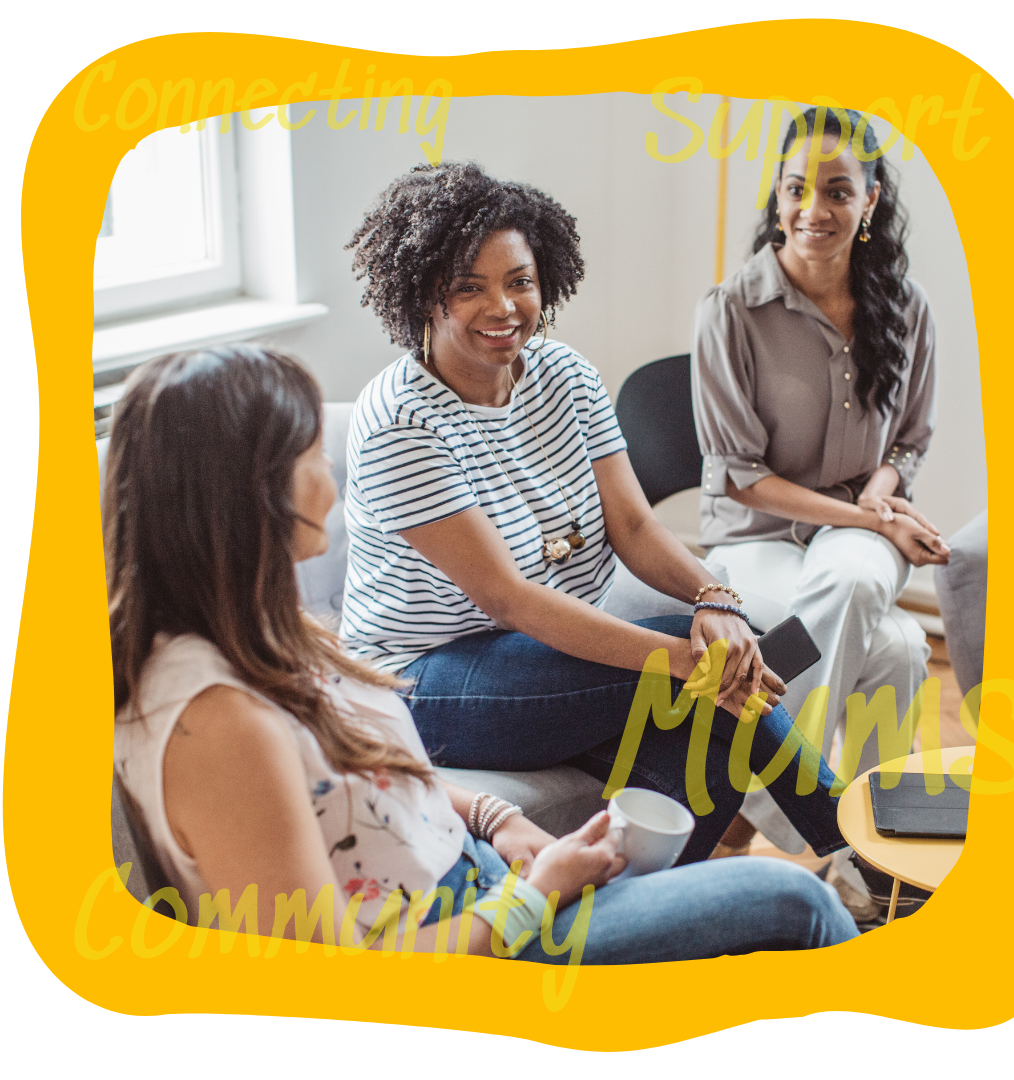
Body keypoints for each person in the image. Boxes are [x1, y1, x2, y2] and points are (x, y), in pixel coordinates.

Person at [108, 345, 858, 959]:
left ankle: (853, 854)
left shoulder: (267, 631)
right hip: (477, 940)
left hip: (491, 877)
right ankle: (855, 854)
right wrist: (536, 896)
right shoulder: (215, 723)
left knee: (707, 715)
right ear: (243, 492)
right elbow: (331, 982)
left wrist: (499, 819)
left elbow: (374, 773)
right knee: (793, 900)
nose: (329, 476)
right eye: (308, 456)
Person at [340, 162, 852, 866]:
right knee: (713, 670)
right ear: (423, 291)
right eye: (469, 287)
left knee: (722, 704)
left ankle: (642, 902)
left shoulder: (565, 375)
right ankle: (854, 842)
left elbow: (635, 527)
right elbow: (509, 599)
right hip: (424, 684)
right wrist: (687, 656)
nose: (504, 307)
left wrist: (717, 597)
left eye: (519, 281)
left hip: (545, 664)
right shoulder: (399, 422)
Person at [691, 107, 950, 861]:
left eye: (838, 190)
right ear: (777, 194)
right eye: (797, 187)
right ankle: (863, 854)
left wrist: (879, 494)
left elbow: (909, 439)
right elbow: (739, 477)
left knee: (853, 589)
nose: (814, 208)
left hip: (856, 527)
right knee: (900, 646)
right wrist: (876, 521)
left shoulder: (907, 308)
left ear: (870, 202)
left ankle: (747, 808)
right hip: (754, 536)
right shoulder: (729, 310)